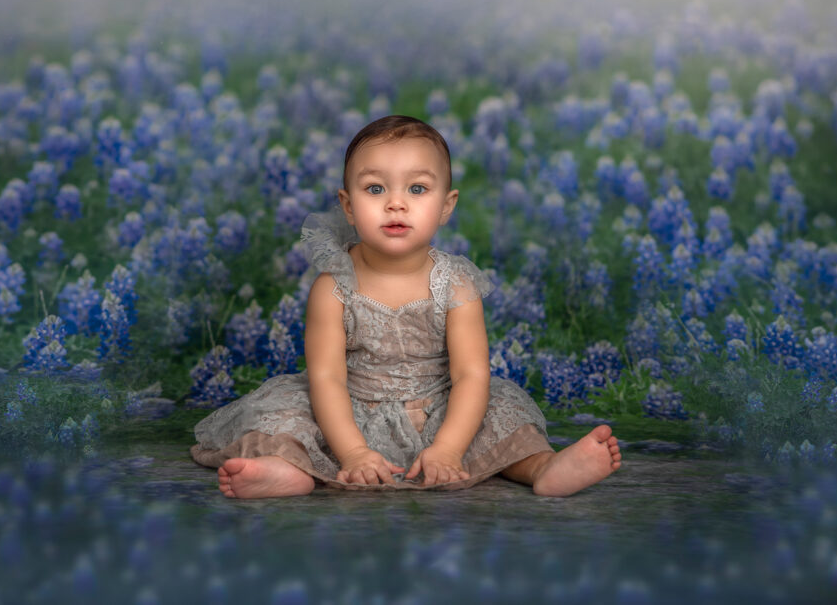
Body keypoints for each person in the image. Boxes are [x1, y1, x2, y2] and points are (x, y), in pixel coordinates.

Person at [190, 115, 622, 498]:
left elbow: (471, 374)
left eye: (417, 188)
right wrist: (355, 451)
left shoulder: (456, 283)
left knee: (499, 416)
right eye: (375, 188)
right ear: (347, 206)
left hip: (442, 411)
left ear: (447, 206)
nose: (396, 203)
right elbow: (327, 378)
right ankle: (287, 473)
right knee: (290, 419)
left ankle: (545, 468)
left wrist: (449, 449)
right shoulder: (332, 287)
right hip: (348, 411)